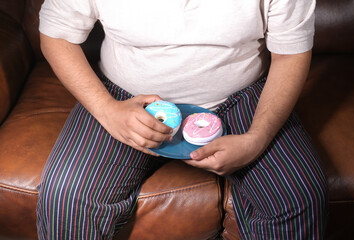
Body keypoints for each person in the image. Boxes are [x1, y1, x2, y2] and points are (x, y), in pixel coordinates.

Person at [36, 0, 328, 239]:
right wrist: (107, 110)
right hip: (125, 99)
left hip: (242, 97)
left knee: (300, 196)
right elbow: (56, 33)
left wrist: (258, 138)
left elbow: (290, 55)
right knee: (66, 196)